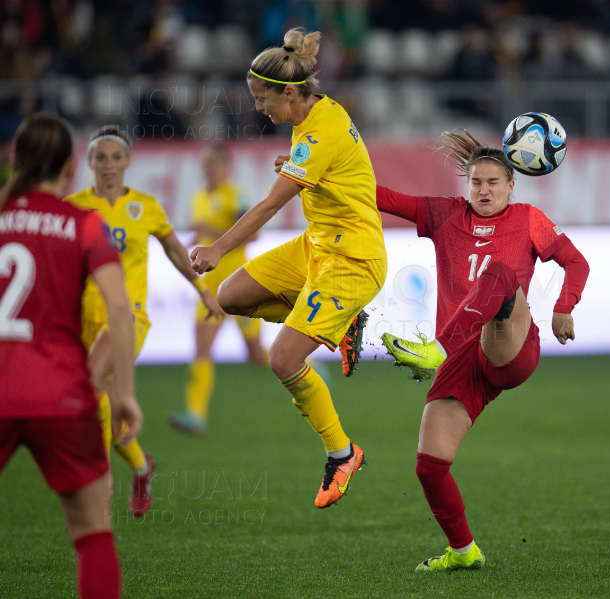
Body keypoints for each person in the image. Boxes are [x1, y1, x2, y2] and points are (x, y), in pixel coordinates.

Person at [190, 27, 387, 509]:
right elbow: (327, 165)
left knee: (282, 359)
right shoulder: (314, 114)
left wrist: (216, 248)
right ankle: (339, 328)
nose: (259, 108)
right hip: (316, 244)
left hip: (352, 259)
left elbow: (266, 208)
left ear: (290, 93)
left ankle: (342, 453)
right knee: (230, 297)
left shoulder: (318, 130)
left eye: (262, 98)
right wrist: (300, 164)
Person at [378, 130, 590, 572]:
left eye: (494, 183)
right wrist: (312, 175)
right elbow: (383, 198)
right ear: (467, 185)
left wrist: (563, 307)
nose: (484, 190)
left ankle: (433, 351)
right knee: (429, 467)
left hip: (509, 346)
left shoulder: (529, 218)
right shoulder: (445, 215)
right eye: (476, 182)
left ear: (512, 186)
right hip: (464, 361)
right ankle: (462, 551)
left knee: (500, 274)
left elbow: (576, 261)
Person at [0, 112, 141, 599]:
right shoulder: (81, 224)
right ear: (68, 170)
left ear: (14, 161)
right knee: (91, 531)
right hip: (61, 393)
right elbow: (120, 308)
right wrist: (124, 393)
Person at [66, 125, 224, 516]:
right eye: (100, 158)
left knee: (92, 383)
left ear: (127, 162)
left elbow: (173, 249)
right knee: (102, 399)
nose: (108, 165)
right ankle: (141, 465)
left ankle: (97, 482)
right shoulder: (74, 206)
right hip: (83, 318)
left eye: (116, 157)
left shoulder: (145, 207)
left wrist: (202, 289)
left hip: (128, 317)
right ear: (89, 162)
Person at [168, 143, 267, 437]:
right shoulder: (199, 198)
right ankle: (195, 415)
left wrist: (208, 232)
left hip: (239, 285)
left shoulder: (237, 196)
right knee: (201, 348)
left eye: (215, 163)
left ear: (226, 167)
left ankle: (306, 363)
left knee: (256, 355)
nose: (209, 168)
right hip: (209, 288)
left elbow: (253, 234)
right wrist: (192, 242)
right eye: (206, 163)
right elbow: (204, 233)